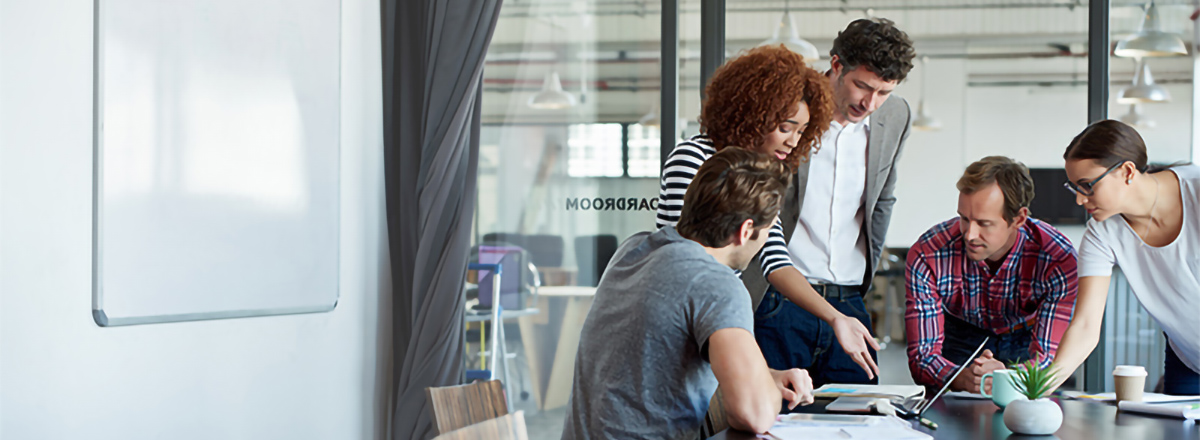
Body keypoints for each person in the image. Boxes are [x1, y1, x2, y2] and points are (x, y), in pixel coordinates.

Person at [657, 45, 887, 381]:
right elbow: (681, 260)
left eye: (801, 131)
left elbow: (776, 261)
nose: (794, 141)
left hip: (718, 321)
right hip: (686, 324)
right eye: (785, 127)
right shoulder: (692, 157)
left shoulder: (763, 176)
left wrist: (836, 317)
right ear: (753, 114)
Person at [564, 149, 813, 440]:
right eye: (769, 229)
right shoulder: (716, 283)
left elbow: (652, 365)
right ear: (746, 231)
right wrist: (765, 392)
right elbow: (752, 414)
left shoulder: (633, 251)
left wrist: (768, 377)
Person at [747, 17, 916, 389]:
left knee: (859, 419)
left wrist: (862, 282)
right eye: (862, 86)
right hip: (780, 298)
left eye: (884, 92)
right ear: (836, 65)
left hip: (850, 300)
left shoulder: (896, 115)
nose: (870, 103)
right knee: (776, 418)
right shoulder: (792, 110)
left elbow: (883, 197)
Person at [1048, 120, 1200, 395]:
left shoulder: (1196, 192)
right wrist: (1038, 389)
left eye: (1087, 185)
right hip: (1189, 359)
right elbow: (1085, 326)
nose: (1080, 200)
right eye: (1075, 188)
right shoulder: (1101, 232)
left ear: (1127, 171)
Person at [905, 156, 1079, 393]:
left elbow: (1048, 360)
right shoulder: (928, 253)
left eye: (984, 223)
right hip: (959, 338)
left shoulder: (1057, 258)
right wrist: (960, 378)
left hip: (1027, 340)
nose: (969, 234)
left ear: (1018, 219)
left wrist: (1007, 377)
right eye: (964, 219)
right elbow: (922, 357)